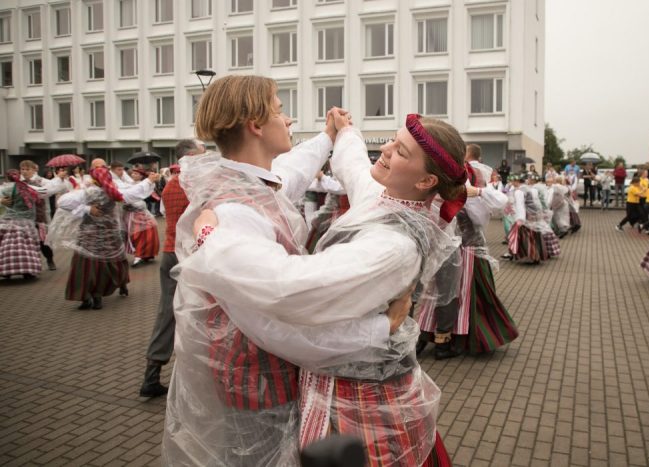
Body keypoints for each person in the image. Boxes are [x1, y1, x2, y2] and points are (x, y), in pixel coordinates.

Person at [163, 75, 453, 465]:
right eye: (281, 111)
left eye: (399, 149)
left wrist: (209, 237)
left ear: (425, 180)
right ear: (255, 125)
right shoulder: (386, 201)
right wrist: (340, 134)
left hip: (348, 390)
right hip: (269, 382)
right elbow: (328, 173)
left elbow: (293, 289)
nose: (289, 119)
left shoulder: (394, 241)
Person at [417, 143, 516, 358]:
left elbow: (490, 209)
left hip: (468, 247)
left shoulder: (470, 178)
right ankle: (430, 336)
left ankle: (452, 339)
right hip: (443, 246)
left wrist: (477, 192)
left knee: (463, 294)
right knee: (437, 292)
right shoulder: (438, 178)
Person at [138, 139, 205, 398]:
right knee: (201, 315)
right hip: (189, 255)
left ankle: (151, 374)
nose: (206, 155)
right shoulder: (196, 183)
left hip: (169, 252)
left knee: (167, 312)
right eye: (202, 152)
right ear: (190, 155)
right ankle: (197, 379)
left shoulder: (170, 185)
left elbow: (168, 215)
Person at [48, 164, 140, 309]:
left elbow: (62, 202)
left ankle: (86, 296)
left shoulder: (88, 192)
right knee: (113, 261)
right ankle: (110, 289)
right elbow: (134, 194)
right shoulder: (113, 191)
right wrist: (149, 182)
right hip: (110, 233)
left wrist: (86, 208)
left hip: (89, 234)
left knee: (86, 265)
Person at [0, 170, 46, 279]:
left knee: (6, 246)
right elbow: (39, 197)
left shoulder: (3, 189)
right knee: (28, 246)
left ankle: (7, 271)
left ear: (7, 178)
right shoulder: (27, 188)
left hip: (8, 221)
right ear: (19, 176)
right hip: (26, 222)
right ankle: (28, 271)